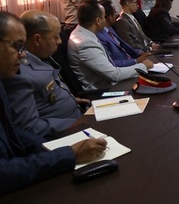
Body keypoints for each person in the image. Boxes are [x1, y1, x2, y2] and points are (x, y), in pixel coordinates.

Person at [0, 11, 107, 193]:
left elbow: (13, 131)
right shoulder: (13, 76)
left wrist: (49, 150)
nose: (23, 54)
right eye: (17, 46)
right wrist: (67, 154)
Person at [1, 10, 82, 138]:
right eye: (56, 36)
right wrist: (77, 123)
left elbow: (46, 97)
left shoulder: (43, 58)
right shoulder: (18, 72)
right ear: (37, 39)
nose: (60, 41)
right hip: (65, 133)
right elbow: (30, 127)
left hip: (78, 115)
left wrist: (72, 100)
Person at [67, 0, 153, 91]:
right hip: (103, 91)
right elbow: (114, 75)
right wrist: (143, 66)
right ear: (98, 21)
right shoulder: (85, 43)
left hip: (111, 84)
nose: (106, 20)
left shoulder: (83, 33)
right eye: (104, 17)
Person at [97, 0, 152, 67]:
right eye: (115, 13)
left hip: (133, 59)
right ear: (109, 17)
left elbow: (124, 46)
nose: (117, 15)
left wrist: (139, 52)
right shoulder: (100, 37)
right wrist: (136, 61)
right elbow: (111, 64)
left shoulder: (110, 29)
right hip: (126, 68)